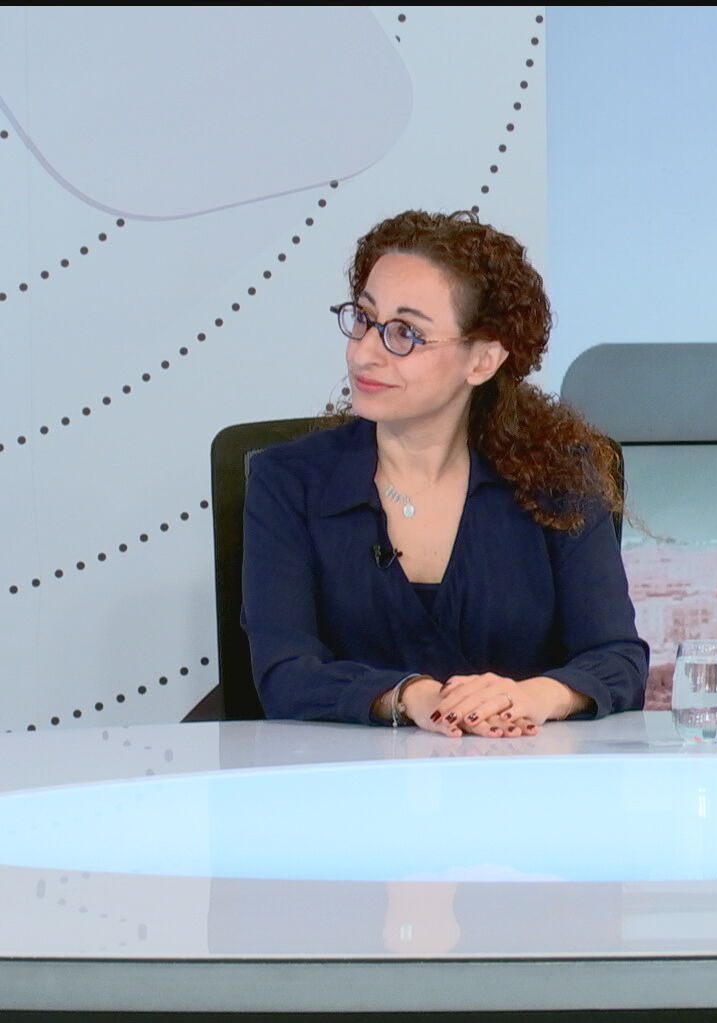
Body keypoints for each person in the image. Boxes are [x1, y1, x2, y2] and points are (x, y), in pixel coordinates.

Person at [243, 209, 648, 736]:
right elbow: (284, 673)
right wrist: (413, 696)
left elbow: (617, 660)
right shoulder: (288, 481)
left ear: (482, 361)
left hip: (522, 772)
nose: (364, 353)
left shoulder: (559, 480)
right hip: (345, 779)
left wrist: (531, 697)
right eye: (363, 318)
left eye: (405, 333)